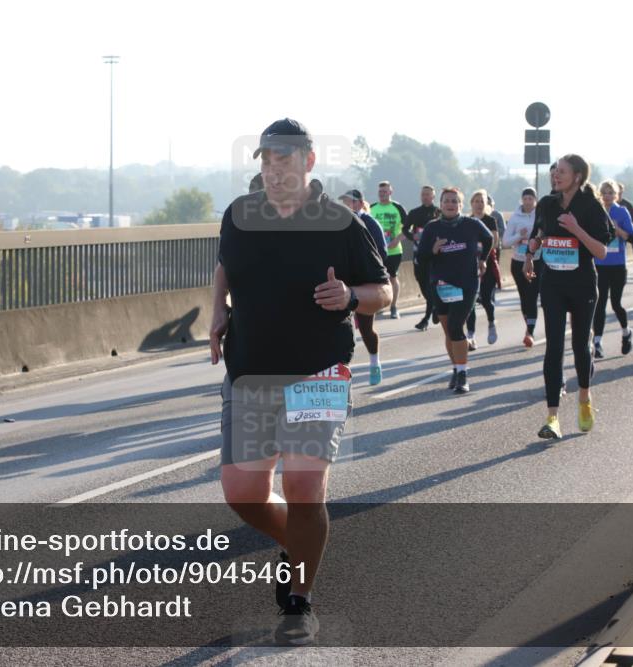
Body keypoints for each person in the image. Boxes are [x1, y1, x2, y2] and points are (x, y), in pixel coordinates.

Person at [209, 118, 391, 645]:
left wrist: (352, 299)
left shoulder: (340, 223)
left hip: (319, 371)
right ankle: (299, 544)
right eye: (265, 161)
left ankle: (299, 601)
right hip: (250, 372)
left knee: (304, 488)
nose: (273, 170)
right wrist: (217, 311)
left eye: (282, 160)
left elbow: (385, 290)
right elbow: (225, 265)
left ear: (308, 161)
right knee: (242, 493)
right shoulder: (240, 215)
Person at [524, 154, 612, 439]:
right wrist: (530, 252)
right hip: (552, 283)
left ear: (577, 176)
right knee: (553, 348)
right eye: (554, 171)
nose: (555, 175)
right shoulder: (548, 203)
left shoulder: (591, 206)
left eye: (562, 171)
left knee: (579, 346)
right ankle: (552, 418)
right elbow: (541, 233)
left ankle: (584, 398)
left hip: (583, 284)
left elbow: (601, 251)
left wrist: (576, 229)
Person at [416, 187, 493, 394]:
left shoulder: (472, 224)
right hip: (440, 286)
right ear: (440, 205)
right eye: (446, 201)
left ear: (460, 205)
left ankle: (462, 374)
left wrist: (483, 259)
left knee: (457, 327)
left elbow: (489, 240)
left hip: (466, 284)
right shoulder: (432, 228)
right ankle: (456, 367)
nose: (450, 204)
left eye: (454, 201)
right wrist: (433, 250)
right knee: (449, 331)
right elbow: (421, 257)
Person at [339, 189, 388, 385]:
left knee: (366, 330)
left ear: (359, 204)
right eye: (342, 201)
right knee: (341, 328)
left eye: (348, 201)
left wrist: (369, 271)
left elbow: (382, 253)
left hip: (365, 284)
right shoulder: (336, 223)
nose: (344, 205)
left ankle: (374, 361)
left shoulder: (370, 223)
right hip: (342, 284)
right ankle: (342, 369)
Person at [593, 180, 633, 358]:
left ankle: (626, 333)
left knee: (616, 303)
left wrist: (618, 230)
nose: (608, 196)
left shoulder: (621, 211)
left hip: (617, 264)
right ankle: (597, 342)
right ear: (600, 194)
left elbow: (632, 238)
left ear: (616, 195)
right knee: (600, 303)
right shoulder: (596, 211)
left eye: (611, 192)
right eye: (605, 192)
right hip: (600, 264)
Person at [504, 187, 542, 347]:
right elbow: (505, 242)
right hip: (518, 261)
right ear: (522, 200)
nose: (528, 201)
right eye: (525, 198)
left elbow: (545, 235)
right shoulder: (515, 217)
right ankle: (528, 326)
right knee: (524, 297)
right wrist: (520, 235)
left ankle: (530, 332)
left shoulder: (540, 215)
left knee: (532, 296)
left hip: (536, 260)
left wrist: (535, 238)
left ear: (535, 200)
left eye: (530, 199)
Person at [465, 190, 500, 348]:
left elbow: (493, 241)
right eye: (476, 201)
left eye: (482, 201)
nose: (479, 204)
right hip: (470, 265)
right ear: (471, 204)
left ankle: (491, 322)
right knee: (470, 301)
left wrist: (483, 257)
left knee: (486, 298)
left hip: (487, 263)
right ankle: (470, 335)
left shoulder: (490, 220)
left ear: (486, 204)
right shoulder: (466, 221)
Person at [404, 185, 441, 330]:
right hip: (418, 253)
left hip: (435, 255)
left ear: (433, 196)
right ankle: (435, 308)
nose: (425, 197)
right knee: (421, 282)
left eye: (428, 194)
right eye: (423, 194)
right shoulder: (414, 213)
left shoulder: (438, 212)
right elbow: (404, 228)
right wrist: (413, 236)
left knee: (430, 285)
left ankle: (426, 319)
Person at [370, 181, 408, 319]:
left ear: (390, 192)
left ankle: (394, 307)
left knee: (392, 277)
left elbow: (408, 228)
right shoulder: (372, 208)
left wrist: (396, 240)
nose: (382, 194)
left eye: (385, 192)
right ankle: (378, 305)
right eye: (380, 192)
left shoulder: (397, 207)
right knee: (376, 279)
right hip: (376, 251)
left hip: (394, 250)